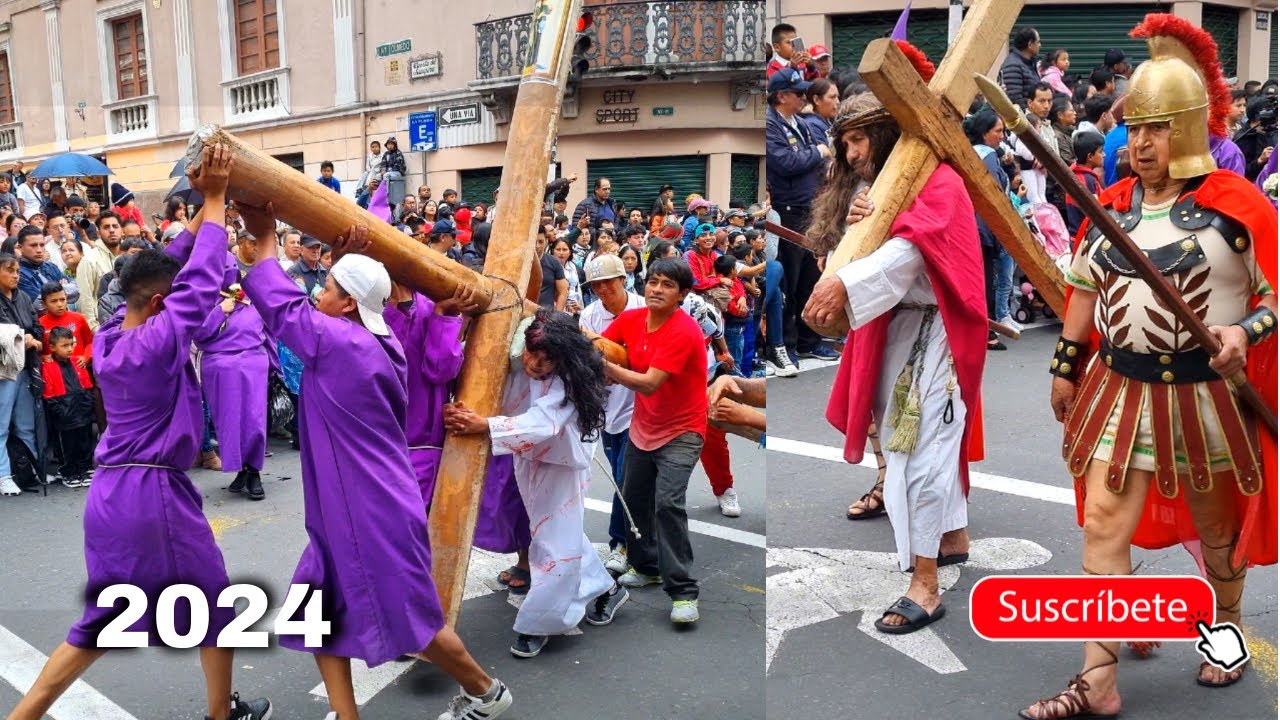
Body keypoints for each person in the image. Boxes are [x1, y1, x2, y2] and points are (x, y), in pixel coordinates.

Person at [1024, 16, 1277, 718]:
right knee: (1104, 526)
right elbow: (1083, 289)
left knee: (1218, 533)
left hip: (1206, 399)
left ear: (1189, 129)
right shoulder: (1106, 209)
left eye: (1157, 128)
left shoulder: (1237, 207)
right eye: (1134, 127)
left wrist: (1242, 330)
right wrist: (1065, 365)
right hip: (1122, 390)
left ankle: (1221, 629)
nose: (1139, 143)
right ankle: (1097, 683)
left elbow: (1276, 295)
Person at [6, 145, 273, 720]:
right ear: (159, 304)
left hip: (111, 494)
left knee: (103, 619)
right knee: (214, 606)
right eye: (171, 299)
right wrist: (220, 196)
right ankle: (222, 715)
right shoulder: (159, 337)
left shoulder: (108, 337)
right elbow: (196, 279)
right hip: (154, 496)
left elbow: (167, 265)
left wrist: (204, 205)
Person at [235, 201, 512, 720]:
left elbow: (280, 305)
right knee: (310, 615)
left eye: (330, 289)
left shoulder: (343, 344)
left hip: (370, 511)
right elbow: (324, 303)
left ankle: (486, 691)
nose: (319, 293)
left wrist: (266, 233)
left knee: (414, 623)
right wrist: (346, 257)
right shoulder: (371, 337)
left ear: (347, 306)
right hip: (352, 506)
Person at [803, 66, 987, 635]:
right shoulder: (869, 189)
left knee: (918, 458)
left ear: (887, 135)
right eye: (846, 142)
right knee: (918, 448)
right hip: (889, 330)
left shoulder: (941, 182)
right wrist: (845, 241)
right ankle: (952, 536)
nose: (853, 153)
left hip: (939, 330)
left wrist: (844, 285)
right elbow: (845, 251)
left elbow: (912, 254)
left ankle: (924, 585)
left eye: (859, 139)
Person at [445, 310, 625, 659]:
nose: (537, 364)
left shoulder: (568, 380)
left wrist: (484, 425)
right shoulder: (510, 359)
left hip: (562, 466)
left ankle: (541, 624)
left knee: (553, 542)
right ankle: (606, 588)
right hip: (528, 459)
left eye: (547, 360)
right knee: (553, 534)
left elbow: (543, 424)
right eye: (532, 354)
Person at [601, 258, 707, 624]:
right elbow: (603, 343)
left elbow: (648, 382)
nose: (657, 289)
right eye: (653, 282)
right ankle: (647, 566)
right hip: (643, 427)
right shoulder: (631, 319)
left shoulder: (684, 330)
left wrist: (606, 367)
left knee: (668, 505)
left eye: (667, 285)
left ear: (682, 294)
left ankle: (683, 592)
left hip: (683, 429)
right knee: (634, 500)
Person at [577, 254, 646, 572]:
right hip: (608, 409)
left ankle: (620, 542)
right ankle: (636, 537)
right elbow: (591, 363)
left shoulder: (645, 309)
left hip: (641, 406)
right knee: (623, 477)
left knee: (624, 476)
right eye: (596, 285)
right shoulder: (590, 316)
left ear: (623, 279)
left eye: (608, 282)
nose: (602, 289)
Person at [766, 66, 837, 363]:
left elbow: (808, 157)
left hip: (811, 207)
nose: (803, 97)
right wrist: (819, 153)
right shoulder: (771, 124)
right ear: (781, 96)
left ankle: (811, 338)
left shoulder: (800, 122)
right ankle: (790, 344)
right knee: (791, 281)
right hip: (789, 210)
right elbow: (785, 162)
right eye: (797, 93)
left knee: (811, 276)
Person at [194, 254, 271, 501]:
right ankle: (240, 468)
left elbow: (269, 331)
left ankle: (254, 470)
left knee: (253, 419)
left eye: (231, 268)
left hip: (252, 363)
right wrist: (219, 311)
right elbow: (198, 335)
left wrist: (274, 365)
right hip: (219, 365)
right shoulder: (204, 299)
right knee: (228, 421)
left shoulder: (252, 297)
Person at [41, 325, 96, 488]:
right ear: (52, 347)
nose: (70, 349)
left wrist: (87, 409)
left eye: (71, 344)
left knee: (84, 442)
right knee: (66, 447)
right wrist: (61, 412)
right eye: (64, 345)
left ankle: (84, 468)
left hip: (81, 413)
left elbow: (87, 387)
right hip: (64, 417)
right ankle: (69, 471)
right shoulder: (48, 367)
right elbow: (49, 395)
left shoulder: (77, 362)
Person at [998, 27, 1042, 110]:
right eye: (1038, 42)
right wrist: (1028, 117)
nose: (1040, 45)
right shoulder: (1012, 66)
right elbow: (1014, 98)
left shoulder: (1029, 63)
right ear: (1030, 44)